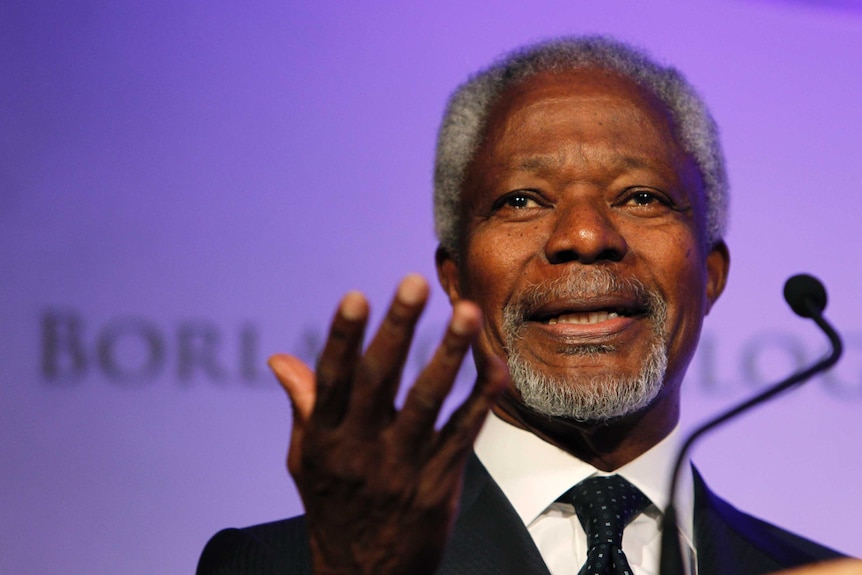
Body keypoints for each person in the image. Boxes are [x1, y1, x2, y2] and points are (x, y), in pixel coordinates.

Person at [197, 36, 852, 575]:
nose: (586, 236)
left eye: (641, 197)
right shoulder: (285, 565)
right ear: (456, 281)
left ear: (711, 275)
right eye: (522, 199)